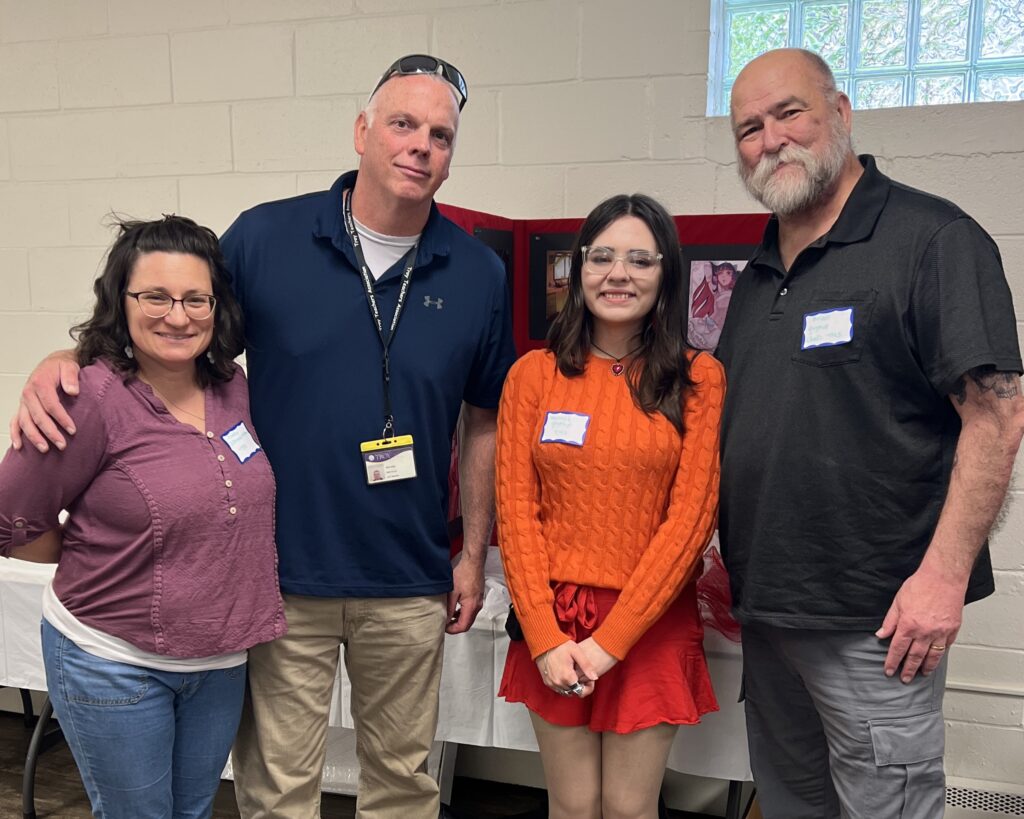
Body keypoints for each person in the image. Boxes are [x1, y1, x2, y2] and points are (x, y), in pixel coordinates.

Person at [11, 54, 515, 819]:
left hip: (410, 579)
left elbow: (485, 419)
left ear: (451, 153)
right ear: (362, 131)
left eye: (440, 135)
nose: (420, 145)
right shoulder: (266, 238)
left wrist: (473, 553)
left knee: (403, 785)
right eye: (403, 124)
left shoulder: (478, 272)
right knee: (277, 790)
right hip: (281, 580)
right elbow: (171, 319)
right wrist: (68, 357)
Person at [717, 47, 1024, 819]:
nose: (771, 138)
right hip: (768, 613)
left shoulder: (932, 240)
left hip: (879, 623)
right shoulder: (756, 276)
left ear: (842, 115)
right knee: (794, 807)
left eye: (790, 112)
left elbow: (997, 413)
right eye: (749, 127)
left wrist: (944, 578)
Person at [0, 215, 285, 818]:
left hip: (219, 663)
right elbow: (10, 518)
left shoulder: (233, 386)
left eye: (194, 298)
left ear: (217, 306)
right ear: (120, 302)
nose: (177, 316)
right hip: (112, 662)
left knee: (192, 813)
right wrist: (91, 548)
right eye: (154, 296)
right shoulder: (87, 396)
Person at [496, 194, 723, 818]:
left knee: (628, 809)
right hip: (555, 619)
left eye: (639, 260)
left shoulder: (698, 378)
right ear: (578, 271)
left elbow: (691, 522)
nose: (617, 274)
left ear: (665, 274)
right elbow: (516, 511)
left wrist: (612, 641)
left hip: (648, 622)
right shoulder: (533, 376)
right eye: (601, 257)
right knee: (571, 807)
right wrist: (544, 637)